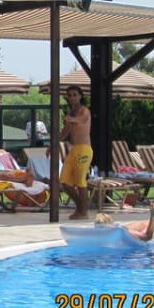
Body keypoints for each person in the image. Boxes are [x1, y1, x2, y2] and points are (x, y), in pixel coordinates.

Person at [50, 86, 92, 220]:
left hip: (84, 149)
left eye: (75, 95)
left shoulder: (84, 111)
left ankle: (83, 212)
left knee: (80, 181)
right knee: (65, 181)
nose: (72, 97)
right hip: (73, 150)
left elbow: (82, 120)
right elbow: (65, 132)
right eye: (70, 95)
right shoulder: (71, 113)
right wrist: (52, 145)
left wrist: (70, 119)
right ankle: (80, 207)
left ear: (80, 96)